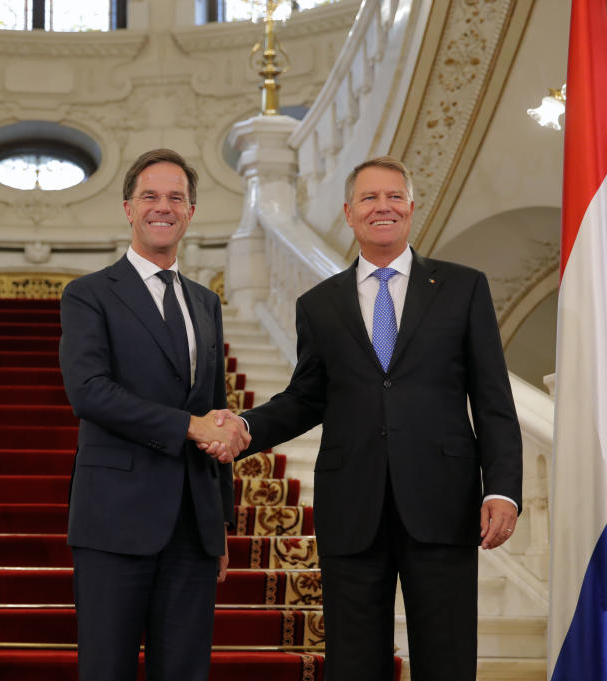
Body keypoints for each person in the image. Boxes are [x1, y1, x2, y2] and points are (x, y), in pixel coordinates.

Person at [207, 156, 523, 681]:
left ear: (411, 208)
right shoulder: (318, 304)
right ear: (350, 213)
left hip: (443, 503)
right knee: (355, 664)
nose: (384, 207)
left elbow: (493, 399)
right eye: (370, 198)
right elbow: (306, 398)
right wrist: (246, 427)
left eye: (394, 196)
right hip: (352, 507)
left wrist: (503, 489)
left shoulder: (464, 288)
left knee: (446, 659)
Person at [59, 148, 250, 681]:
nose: (162, 207)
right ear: (128, 208)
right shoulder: (89, 295)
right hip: (112, 521)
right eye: (150, 196)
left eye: (175, 198)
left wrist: (221, 525)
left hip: (193, 526)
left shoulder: (205, 302)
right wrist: (188, 426)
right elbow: (89, 392)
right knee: (107, 670)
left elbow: (215, 410)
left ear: (190, 212)